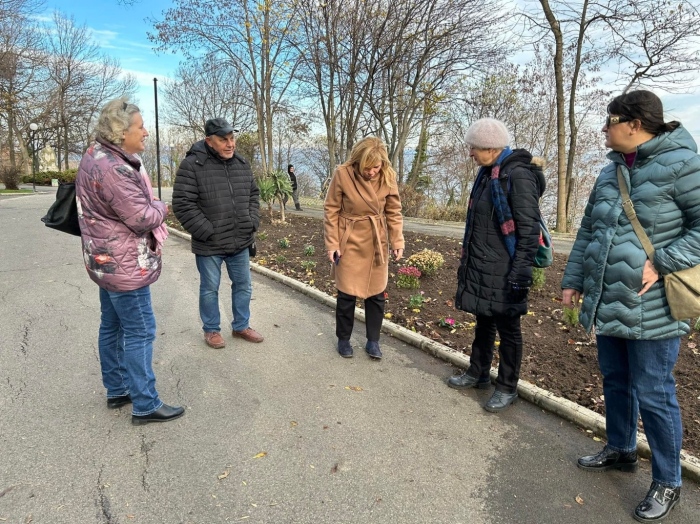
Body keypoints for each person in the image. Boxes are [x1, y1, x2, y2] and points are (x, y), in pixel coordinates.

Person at [562, 90, 700, 523]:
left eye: (610, 120)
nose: (604, 128)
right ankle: (621, 449)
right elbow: (588, 231)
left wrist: (663, 261)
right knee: (616, 379)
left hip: (653, 304)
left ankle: (668, 481)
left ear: (634, 124)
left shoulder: (684, 166)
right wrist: (573, 280)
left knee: (655, 393)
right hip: (610, 299)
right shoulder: (609, 173)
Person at [75, 97, 184, 425]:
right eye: (140, 127)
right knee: (140, 330)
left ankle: (118, 388)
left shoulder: (95, 155)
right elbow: (140, 217)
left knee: (112, 325)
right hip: (124, 264)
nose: (146, 132)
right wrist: (163, 207)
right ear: (122, 132)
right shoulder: (116, 168)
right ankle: (145, 403)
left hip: (104, 261)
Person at [448, 118, 545, 413]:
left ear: (490, 148)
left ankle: (507, 387)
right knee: (484, 321)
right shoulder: (487, 172)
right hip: (483, 264)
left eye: (473, 148)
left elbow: (529, 231)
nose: (470, 153)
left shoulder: (517, 176)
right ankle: (478, 372)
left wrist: (520, 273)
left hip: (506, 269)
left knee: (509, 328)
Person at [172, 118, 263, 349]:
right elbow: (183, 204)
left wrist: (251, 221)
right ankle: (211, 329)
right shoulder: (192, 165)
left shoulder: (241, 163)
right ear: (209, 141)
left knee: (244, 286)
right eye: (224, 139)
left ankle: (241, 325)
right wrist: (206, 231)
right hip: (209, 243)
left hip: (240, 240)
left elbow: (254, 195)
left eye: (232, 138)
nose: (230, 144)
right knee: (210, 288)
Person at [323, 136, 404, 359]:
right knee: (347, 294)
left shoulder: (388, 176)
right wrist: (332, 243)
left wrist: (397, 240)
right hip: (348, 240)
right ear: (357, 161)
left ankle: (373, 342)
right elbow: (331, 210)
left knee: (377, 294)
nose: (371, 172)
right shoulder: (343, 173)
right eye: (367, 168)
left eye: (375, 167)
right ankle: (344, 339)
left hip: (376, 240)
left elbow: (393, 212)